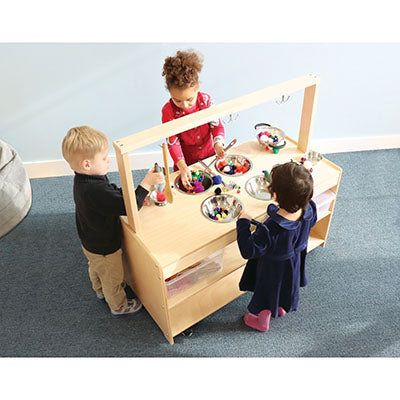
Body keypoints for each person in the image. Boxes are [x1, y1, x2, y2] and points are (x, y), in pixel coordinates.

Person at [62, 126, 164, 317]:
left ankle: (99, 289)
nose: (108, 160)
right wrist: (146, 184)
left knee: (96, 267)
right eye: (103, 158)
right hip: (105, 246)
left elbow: (111, 193)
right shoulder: (95, 190)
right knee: (113, 277)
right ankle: (118, 305)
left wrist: (137, 195)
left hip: (89, 240)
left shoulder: (86, 180)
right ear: (86, 164)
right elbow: (127, 207)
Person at [236, 161, 317, 332]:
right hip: (293, 262)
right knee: (286, 286)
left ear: (275, 196)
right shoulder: (309, 209)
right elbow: (309, 223)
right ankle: (280, 307)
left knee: (268, 293)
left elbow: (248, 250)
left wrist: (243, 223)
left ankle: (262, 321)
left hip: (272, 270)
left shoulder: (271, 229)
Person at [161, 49, 226, 189]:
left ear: (197, 88)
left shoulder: (206, 101)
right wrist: (182, 166)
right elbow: (173, 142)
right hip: (185, 163)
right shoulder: (168, 111)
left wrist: (218, 144)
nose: (184, 105)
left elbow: (217, 126)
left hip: (209, 157)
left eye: (189, 99)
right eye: (177, 100)